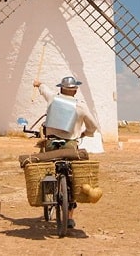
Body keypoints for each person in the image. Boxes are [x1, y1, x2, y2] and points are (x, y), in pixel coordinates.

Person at [32, 75, 101, 229]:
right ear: (75, 89)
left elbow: (44, 89)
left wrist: (38, 83)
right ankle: (69, 217)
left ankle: (48, 195)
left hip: (50, 145)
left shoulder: (52, 98)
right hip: (70, 146)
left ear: (61, 88)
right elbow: (93, 126)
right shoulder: (81, 106)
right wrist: (86, 133)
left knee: (48, 171)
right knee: (73, 177)